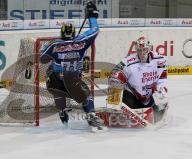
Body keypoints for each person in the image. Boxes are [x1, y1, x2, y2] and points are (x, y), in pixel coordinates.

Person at [40, 1, 106, 131]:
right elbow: (95, 29)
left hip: (55, 82)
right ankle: (91, 115)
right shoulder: (82, 41)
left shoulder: (54, 45)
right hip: (72, 80)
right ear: (74, 33)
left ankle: (62, 113)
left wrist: (49, 54)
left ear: (62, 33)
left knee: (55, 85)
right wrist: (92, 16)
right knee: (87, 96)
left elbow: (42, 60)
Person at [109, 37, 168, 122]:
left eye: (144, 50)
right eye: (139, 50)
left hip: (150, 98)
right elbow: (115, 73)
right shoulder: (128, 61)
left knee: (161, 95)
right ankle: (116, 111)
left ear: (149, 49)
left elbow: (162, 77)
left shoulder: (159, 59)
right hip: (132, 98)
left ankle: (156, 115)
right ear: (136, 50)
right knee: (116, 87)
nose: (142, 53)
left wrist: (161, 90)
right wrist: (116, 80)